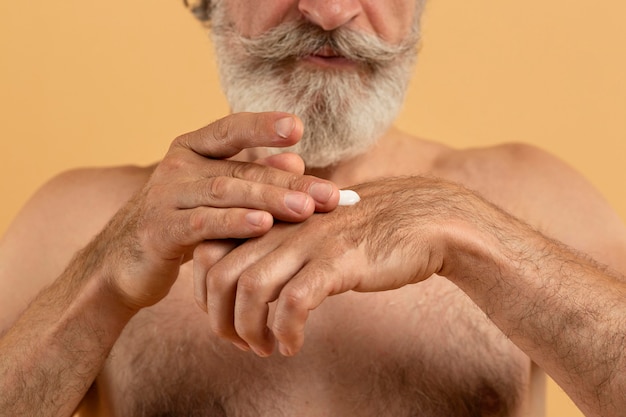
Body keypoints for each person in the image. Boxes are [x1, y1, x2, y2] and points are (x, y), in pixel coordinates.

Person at [0, 1, 624, 416]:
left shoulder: (532, 200)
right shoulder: (79, 221)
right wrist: (104, 272)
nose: (328, 9)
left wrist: (467, 233)